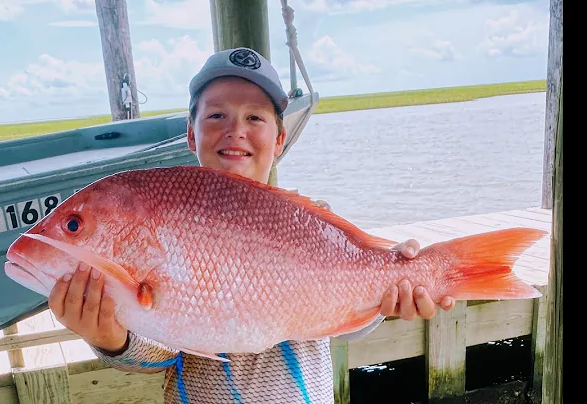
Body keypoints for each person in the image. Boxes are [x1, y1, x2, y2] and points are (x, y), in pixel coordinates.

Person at [48, 47, 456, 403]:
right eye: (217, 114)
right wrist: (110, 338)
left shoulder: (314, 219)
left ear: (279, 140)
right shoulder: (168, 219)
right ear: (191, 135)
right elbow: (161, 353)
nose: (235, 130)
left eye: (255, 117)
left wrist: (389, 298)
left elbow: (342, 330)